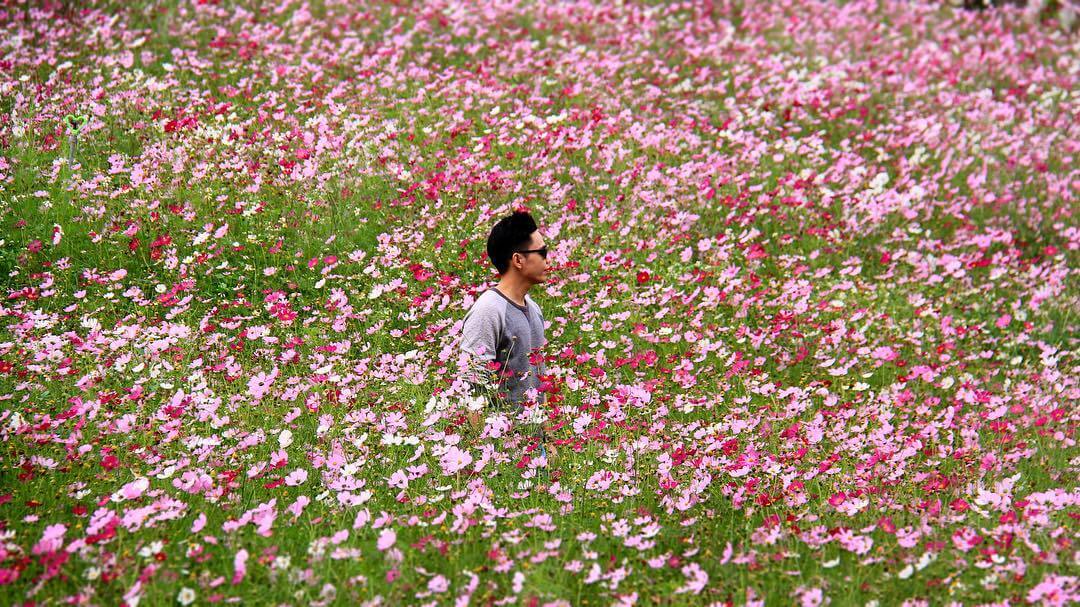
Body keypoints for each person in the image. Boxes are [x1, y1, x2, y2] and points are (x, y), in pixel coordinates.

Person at [460, 210, 553, 456]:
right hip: (504, 453)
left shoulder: (533, 308)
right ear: (518, 260)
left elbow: (539, 378)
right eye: (542, 253)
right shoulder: (488, 310)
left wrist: (549, 439)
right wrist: (490, 458)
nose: (548, 261)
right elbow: (473, 390)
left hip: (536, 447)